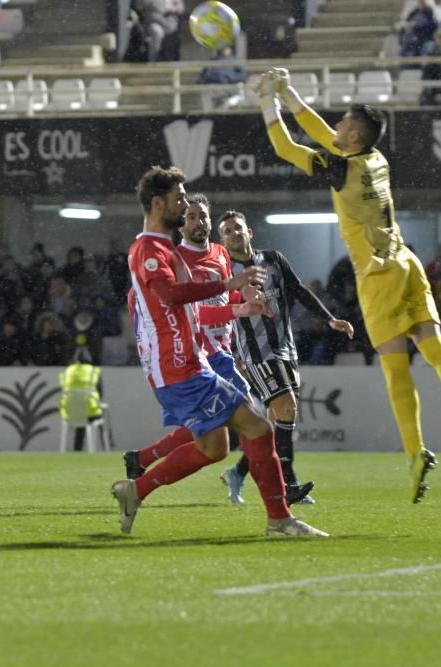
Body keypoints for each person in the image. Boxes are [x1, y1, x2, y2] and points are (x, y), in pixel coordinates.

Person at [256, 69, 441, 503]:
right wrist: (288, 90)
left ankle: (416, 454)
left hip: (377, 275)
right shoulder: (377, 160)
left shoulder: (339, 170)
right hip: (407, 261)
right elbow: (321, 131)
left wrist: (267, 102)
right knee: (435, 348)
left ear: (355, 136)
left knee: (397, 370)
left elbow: (286, 146)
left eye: (342, 123)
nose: (336, 126)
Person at [110, 165, 327, 537]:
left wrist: (238, 306)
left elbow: (191, 309)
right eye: (180, 199)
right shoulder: (148, 249)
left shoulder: (164, 248)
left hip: (191, 364)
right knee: (258, 427)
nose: (185, 204)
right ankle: (279, 519)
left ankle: (136, 488)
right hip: (179, 368)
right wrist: (230, 284)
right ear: (159, 203)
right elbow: (171, 294)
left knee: (214, 447)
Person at [120, 193, 278, 491]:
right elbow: (190, 312)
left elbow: (220, 296)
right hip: (202, 355)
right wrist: (237, 308)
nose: (198, 222)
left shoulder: (220, 252)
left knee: (215, 431)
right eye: (191, 217)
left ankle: (142, 463)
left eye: (203, 216)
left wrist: (242, 296)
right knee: (252, 422)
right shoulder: (176, 259)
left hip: (222, 351)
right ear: (181, 225)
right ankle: (272, 495)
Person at [216, 210, 354, 506]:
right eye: (227, 231)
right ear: (223, 241)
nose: (234, 234)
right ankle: (288, 482)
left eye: (237, 228)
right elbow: (218, 312)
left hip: (285, 350)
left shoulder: (273, 260)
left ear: (249, 231)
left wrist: (329, 319)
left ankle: (238, 472)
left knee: (274, 422)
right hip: (255, 354)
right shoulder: (226, 273)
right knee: (287, 406)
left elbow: (298, 291)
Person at [59, 347, 106, 451]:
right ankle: (107, 445)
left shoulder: (68, 371)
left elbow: (63, 389)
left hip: (69, 412)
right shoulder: (93, 371)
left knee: (80, 415)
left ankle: (77, 449)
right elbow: (100, 393)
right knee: (103, 416)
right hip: (89, 411)